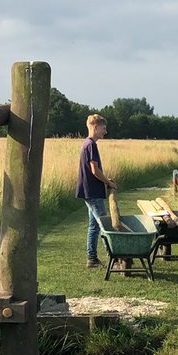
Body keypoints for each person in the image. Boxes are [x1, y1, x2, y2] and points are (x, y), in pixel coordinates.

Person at [75, 114, 117, 268]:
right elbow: (94, 170)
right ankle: (115, 258)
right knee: (104, 225)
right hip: (92, 191)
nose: (105, 132)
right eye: (103, 128)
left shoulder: (87, 144)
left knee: (94, 225)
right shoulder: (91, 145)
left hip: (89, 191)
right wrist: (109, 182)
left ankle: (92, 258)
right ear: (95, 126)